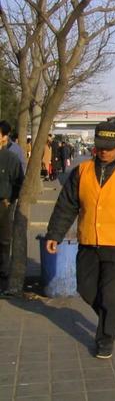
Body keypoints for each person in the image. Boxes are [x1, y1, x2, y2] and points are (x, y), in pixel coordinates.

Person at [45, 122, 115, 359]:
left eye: (110, 147)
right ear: (95, 145)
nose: (105, 152)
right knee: (86, 288)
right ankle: (109, 316)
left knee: (111, 292)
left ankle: (106, 339)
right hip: (89, 241)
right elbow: (66, 205)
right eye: (101, 147)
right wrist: (55, 234)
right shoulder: (81, 172)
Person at [0, 124, 24, 292]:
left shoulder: (11, 158)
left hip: (3, 204)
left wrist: (10, 199)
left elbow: (19, 182)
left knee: (3, 240)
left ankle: (2, 274)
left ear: (4, 137)